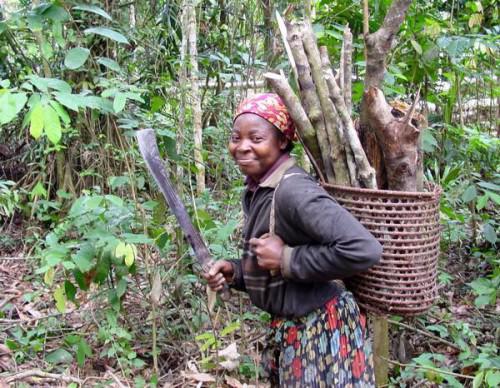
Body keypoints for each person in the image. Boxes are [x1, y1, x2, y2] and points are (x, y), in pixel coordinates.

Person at [204, 93, 382, 387]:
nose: (242, 146)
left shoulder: (293, 191)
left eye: (256, 138)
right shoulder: (259, 190)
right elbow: (278, 269)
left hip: (322, 330)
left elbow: (364, 249)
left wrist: (287, 258)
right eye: (236, 137)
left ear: (282, 142)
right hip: (295, 329)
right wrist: (236, 272)